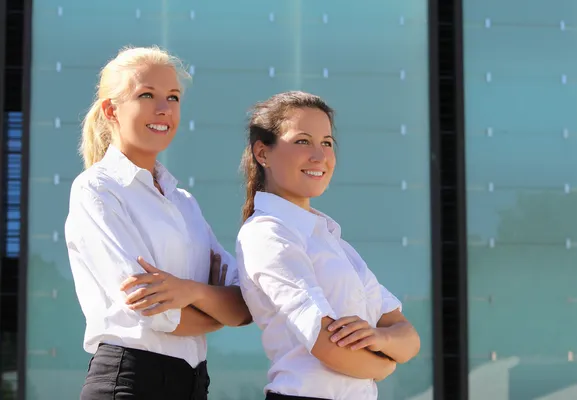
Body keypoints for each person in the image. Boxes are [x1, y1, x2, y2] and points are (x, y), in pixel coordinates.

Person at [65, 46, 251, 400]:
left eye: (173, 97)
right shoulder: (97, 190)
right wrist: (215, 311)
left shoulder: (184, 203)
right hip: (130, 382)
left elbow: (244, 305)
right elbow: (153, 314)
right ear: (111, 110)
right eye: (147, 95)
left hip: (193, 384)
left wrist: (192, 292)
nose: (164, 109)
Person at [235, 91, 421, 400]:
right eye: (302, 141)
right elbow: (326, 346)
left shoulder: (332, 240)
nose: (319, 156)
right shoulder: (268, 234)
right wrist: (385, 365)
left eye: (327, 142)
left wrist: (378, 338)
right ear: (262, 153)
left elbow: (409, 338)